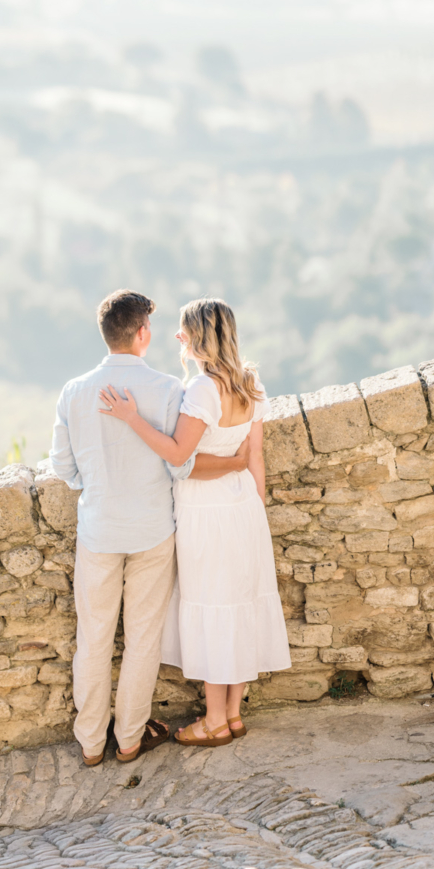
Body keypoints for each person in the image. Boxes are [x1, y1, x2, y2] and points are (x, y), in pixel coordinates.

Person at [50, 289, 250, 766]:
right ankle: (131, 739)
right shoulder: (167, 389)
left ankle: (92, 741)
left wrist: (95, 483)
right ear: (142, 333)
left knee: (93, 638)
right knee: (142, 640)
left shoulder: (74, 391)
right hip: (152, 531)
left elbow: (64, 468)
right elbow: (180, 465)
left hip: (99, 530)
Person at [99, 296, 290, 747]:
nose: (177, 337)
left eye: (183, 330)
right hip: (244, 507)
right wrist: (254, 509)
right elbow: (254, 457)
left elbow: (179, 457)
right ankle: (235, 714)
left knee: (212, 608)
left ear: (198, 335)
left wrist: (131, 419)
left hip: (206, 512)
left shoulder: (202, 390)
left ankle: (215, 721)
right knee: (241, 604)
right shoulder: (251, 382)